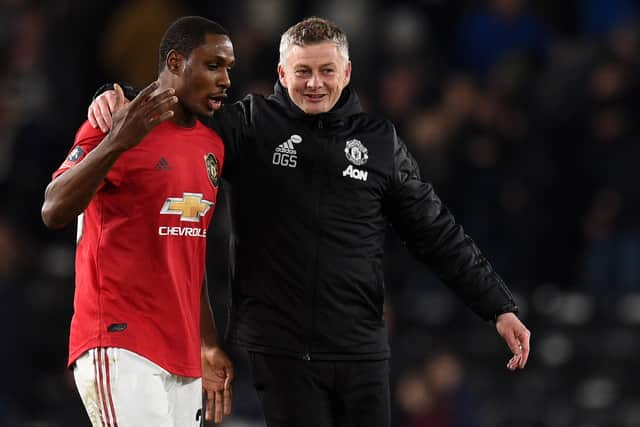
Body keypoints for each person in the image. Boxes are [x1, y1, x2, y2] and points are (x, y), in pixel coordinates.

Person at [89, 17, 531, 427]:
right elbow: (182, 104)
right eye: (302, 71)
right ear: (282, 74)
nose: (314, 83)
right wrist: (117, 95)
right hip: (280, 350)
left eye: (326, 70)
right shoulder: (249, 126)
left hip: (361, 348)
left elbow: (435, 230)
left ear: (347, 72)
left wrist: (498, 305)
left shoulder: (378, 142)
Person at [42, 16, 235, 426]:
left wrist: (208, 342)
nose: (225, 81)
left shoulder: (211, 146)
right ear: (176, 62)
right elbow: (53, 209)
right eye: (213, 66)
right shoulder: (115, 120)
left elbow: (189, 252)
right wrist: (116, 141)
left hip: (182, 353)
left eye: (228, 69)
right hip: (120, 341)